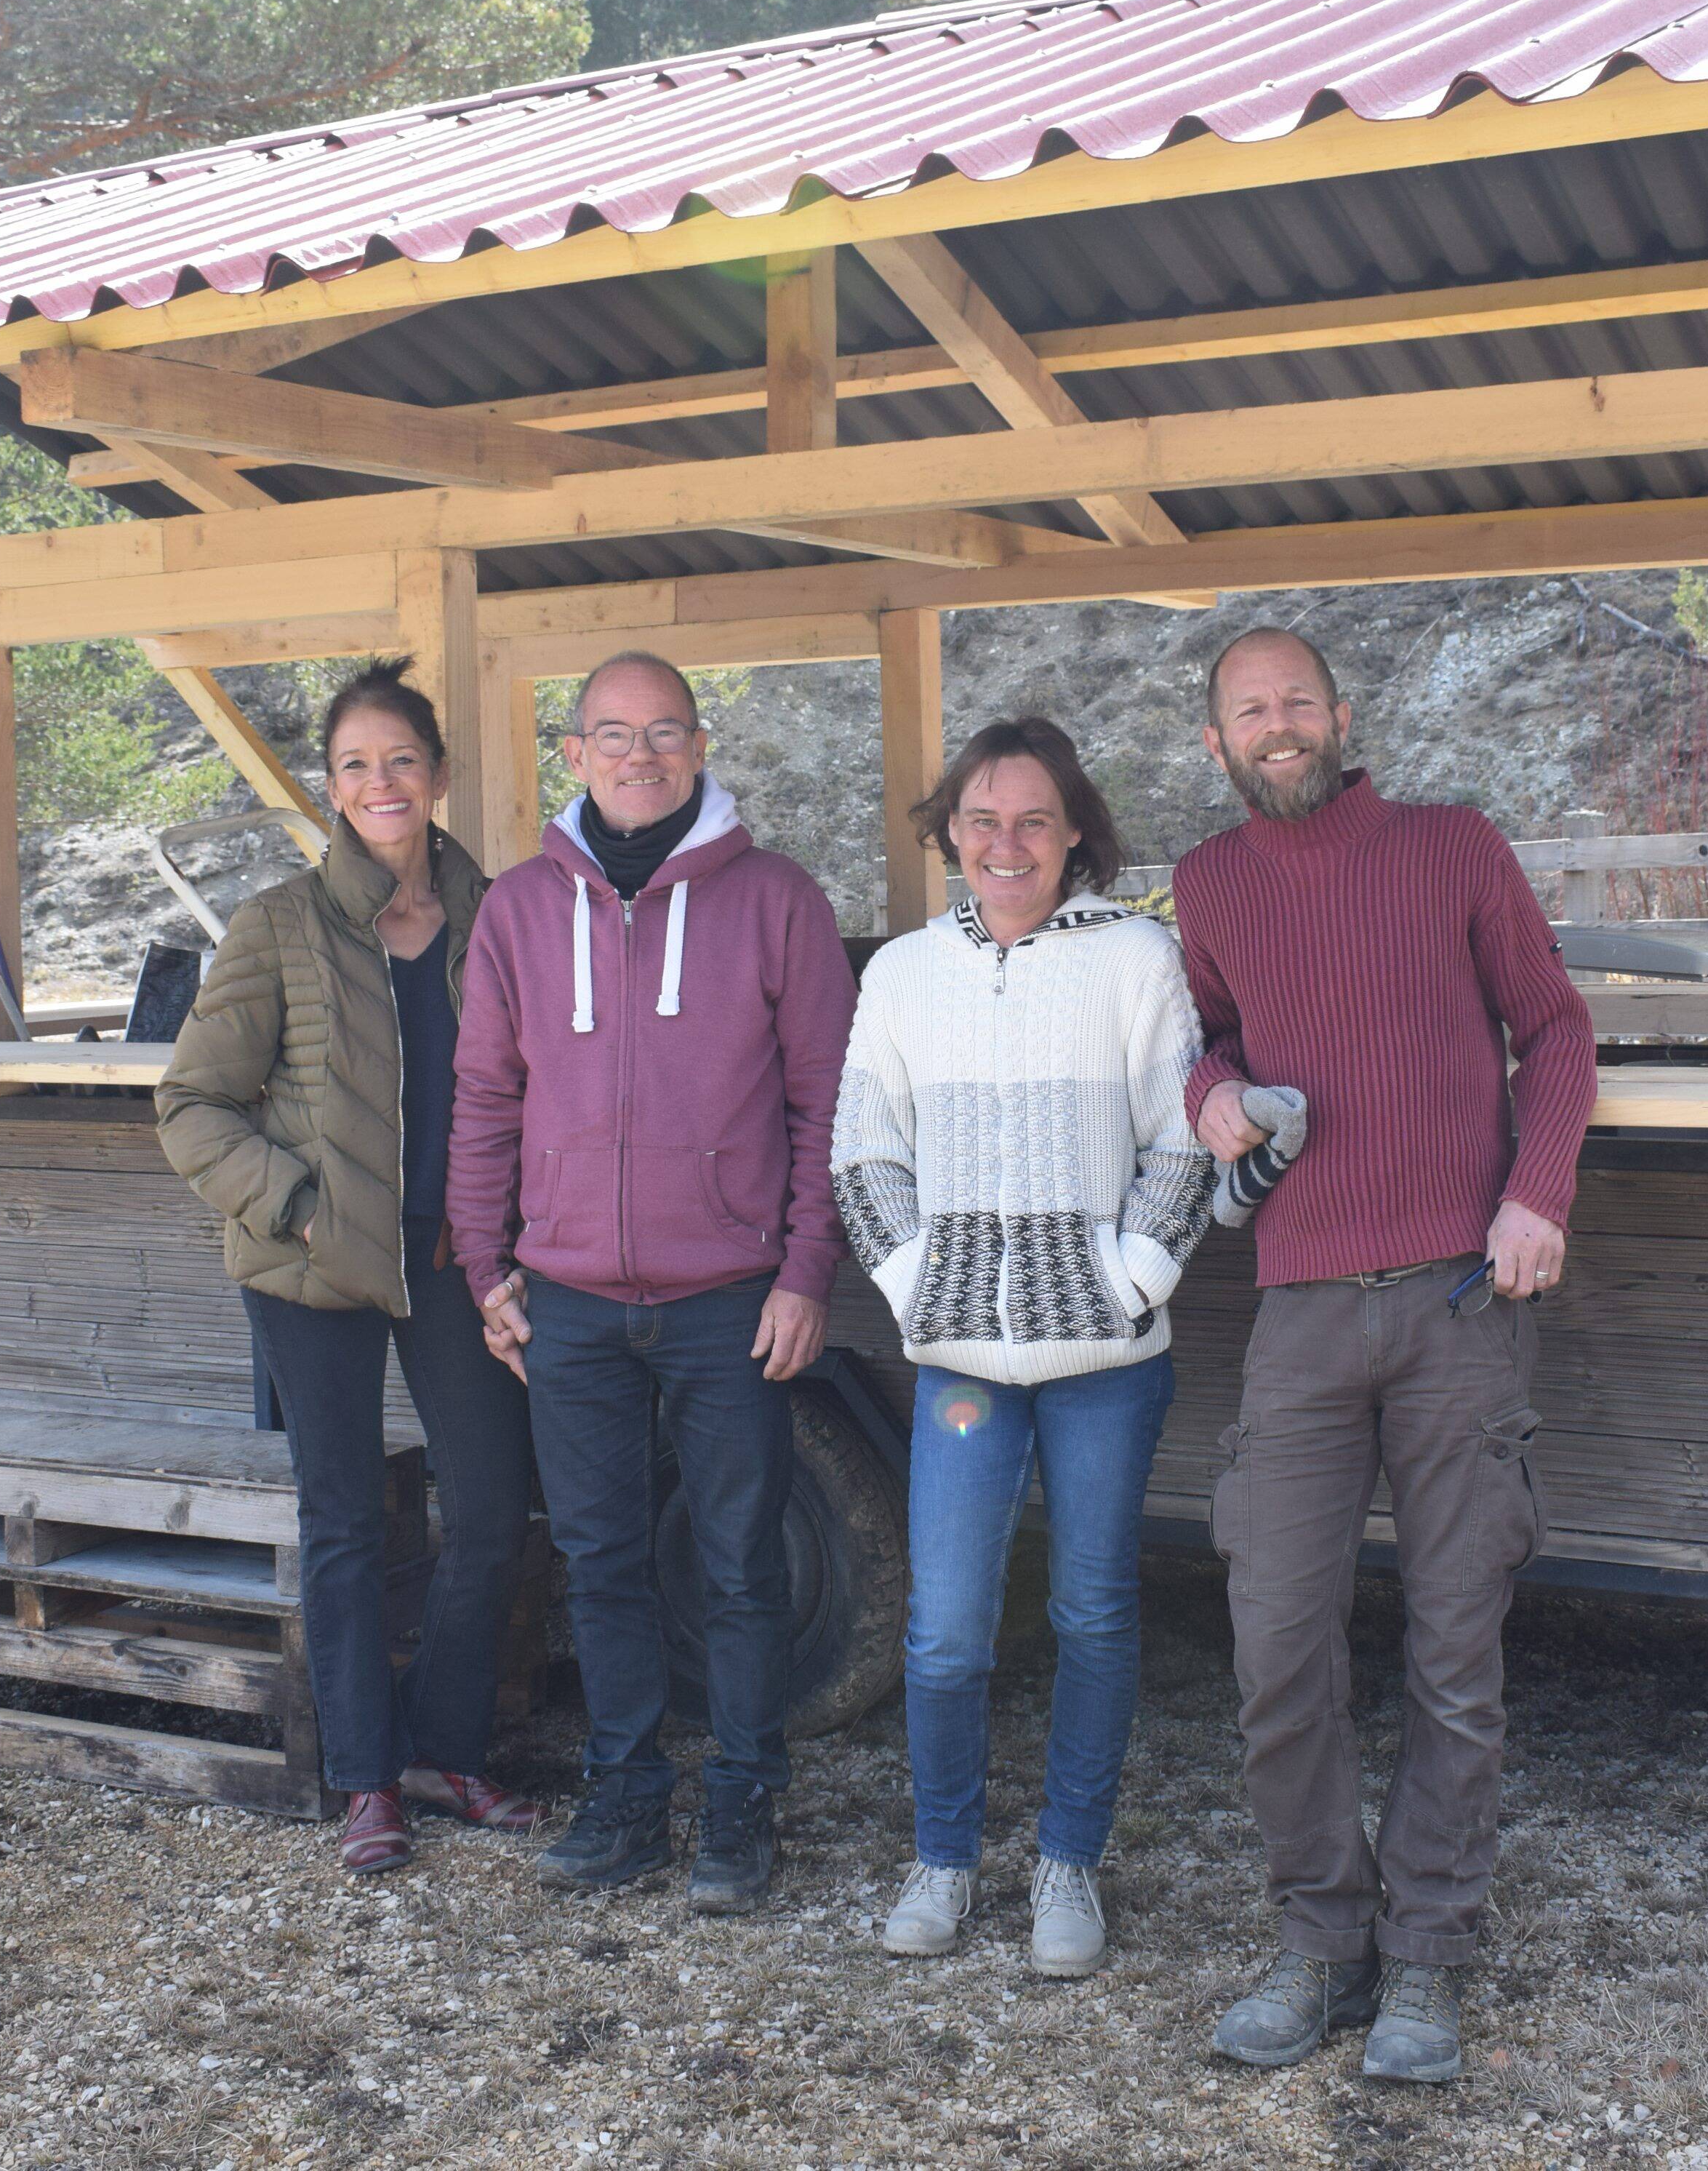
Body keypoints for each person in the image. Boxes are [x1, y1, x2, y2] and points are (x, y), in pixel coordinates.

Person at [1175, 625, 1596, 2084]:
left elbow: (1554, 1030)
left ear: (1342, 718)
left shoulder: (1450, 845)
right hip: (1298, 1308)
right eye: (1248, 710)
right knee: (1275, 1642)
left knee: (1452, 1648)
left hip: (1457, 1308)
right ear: (1214, 744)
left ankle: (1424, 1959)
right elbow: (1207, 1038)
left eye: (1296, 702)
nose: (1275, 725)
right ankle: (1318, 1939)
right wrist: (1213, 1093)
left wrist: (1535, 1192)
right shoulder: (1208, 882)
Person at [449, 650, 857, 1914]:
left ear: (698, 746)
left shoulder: (777, 900)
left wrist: (803, 1274)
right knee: (599, 1557)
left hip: (728, 1296)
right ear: (575, 755)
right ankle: (625, 1791)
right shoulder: (519, 908)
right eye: (614, 734)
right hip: (566, 1299)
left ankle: (742, 1796)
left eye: (665, 731)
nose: (640, 755)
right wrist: (485, 1264)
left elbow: (829, 1103)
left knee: (739, 1561)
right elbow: (483, 1099)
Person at [831, 718, 1212, 1978]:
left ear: (1074, 836)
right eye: (983, 819)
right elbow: (862, 1150)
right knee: (944, 1629)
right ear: (948, 830)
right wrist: (916, 1284)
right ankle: (943, 1860)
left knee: (1093, 1612)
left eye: (1034, 821)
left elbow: (1184, 1142)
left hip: (1109, 1364)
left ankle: (1067, 1865)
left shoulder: (1137, 958)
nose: (1008, 844)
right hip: (961, 1368)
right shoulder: (900, 975)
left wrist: (1129, 1282)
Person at [156, 659, 544, 1877]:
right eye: (356, 765)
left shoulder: (504, 918)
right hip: (315, 1266)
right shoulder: (279, 927)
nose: (382, 782)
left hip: (457, 1264)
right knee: (343, 1520)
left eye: (402, 760)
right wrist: (303, 1207)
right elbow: (192, 1106)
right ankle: (365, 1778)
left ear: (439, 776)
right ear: (333, 788)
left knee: (486, 1512)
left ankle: (441, 1744)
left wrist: (524, 1238)